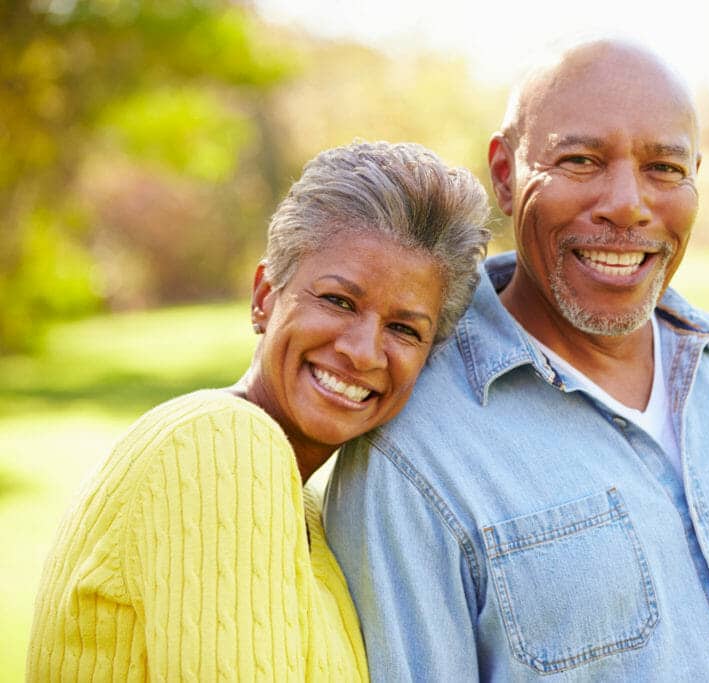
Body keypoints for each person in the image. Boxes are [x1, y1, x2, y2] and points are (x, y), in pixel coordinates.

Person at [324, 41, 709, 681]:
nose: (627, 204)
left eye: (664, 168)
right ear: (504, 173)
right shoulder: (410, 450)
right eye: (580, 160)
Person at [26, 141, 490, 681]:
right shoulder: (217, 445)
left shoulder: (306, 506)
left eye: (404, 329)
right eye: (338, 301)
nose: (363, 351)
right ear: (265, 297)